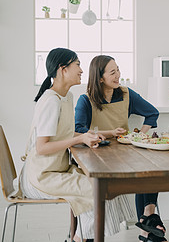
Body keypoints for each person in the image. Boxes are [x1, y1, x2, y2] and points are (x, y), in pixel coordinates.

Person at [18, 48, 134, 242]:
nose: (81, 70)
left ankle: (79, 237)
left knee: (103, 183)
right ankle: (80, 238)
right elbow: (42, 147)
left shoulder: (66, 97)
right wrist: (79, 140)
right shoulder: (50, 101)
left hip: (57, 171)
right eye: (78, 65)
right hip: (40, 177)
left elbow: (65, 133)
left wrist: (106, 133)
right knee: (96, 190)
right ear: (63, 69)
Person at [74, 55, 164, 242]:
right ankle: (87, 233)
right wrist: (110, 133)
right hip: (97, 155)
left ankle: (147, 221)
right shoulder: (86, 100)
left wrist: (141, 134)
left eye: (118, 70)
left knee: (149, 170)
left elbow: (152, 112)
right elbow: (78, 129)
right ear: (100, 78)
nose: (118, 75)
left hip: (125, 152)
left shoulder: (125, 94)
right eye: (112, 72)